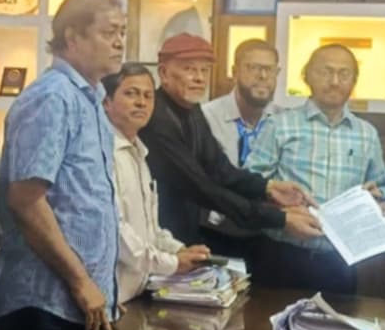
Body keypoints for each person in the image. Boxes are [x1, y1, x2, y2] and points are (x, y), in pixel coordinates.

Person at [0, 0, 124, 330]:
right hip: (45, 301)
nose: (119, 42)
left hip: (77, 303)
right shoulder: (52, 97)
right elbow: (26, 201)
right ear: (73, 37)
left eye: (122, 33)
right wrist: (82, 282)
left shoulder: (91, 98)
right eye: (109, 32)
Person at [138, 32, 321, 250]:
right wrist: (279, 218)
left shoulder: (191, 109)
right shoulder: (157, 117)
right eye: (189, 69)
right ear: (164, 73)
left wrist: (269, 187)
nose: (199, 78)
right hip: (157, 240)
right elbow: (201, 186)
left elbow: (220, 168)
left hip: (183, 235)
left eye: (205, 70)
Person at [246, 44, 385, 294]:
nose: (334, 81)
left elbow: (383, 186)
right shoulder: (280, 125)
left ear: (354, 81)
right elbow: (251, 184)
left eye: (344, 74)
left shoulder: (366, 134)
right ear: (307, 76)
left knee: (337, 319)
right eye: (325, 72)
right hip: (282, 256)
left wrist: (378, 198)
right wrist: (281, 211)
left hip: (340, 262)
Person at [102, 63, 211, 302]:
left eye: (148, 96)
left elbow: (150, 230)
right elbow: (115, 231)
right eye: (131, 94)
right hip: (111, 295)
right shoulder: (104, 153)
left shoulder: (140, 152)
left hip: (138, 290)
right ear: (106, 102)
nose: (141, 103)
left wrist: (178, 249)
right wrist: (172, 263)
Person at [200, 39, 283, 256]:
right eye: (253, 67)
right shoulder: (205, 118)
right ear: (235, 71)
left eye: (269, 69)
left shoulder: (285, 122)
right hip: (215, 234)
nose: (262, 76)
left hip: (268, 236)